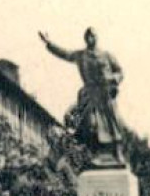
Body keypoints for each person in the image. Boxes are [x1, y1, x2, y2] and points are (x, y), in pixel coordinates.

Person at [39, 28, 129, 166]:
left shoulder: (106, 55)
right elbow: (64, 53)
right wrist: (49, 43)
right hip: (90, 96)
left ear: (97, 37)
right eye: (87, 36)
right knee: (91, 124)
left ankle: (117, 153)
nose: (90, 39)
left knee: (113, 123)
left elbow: (120, 71)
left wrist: (113, 78)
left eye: (93, 36)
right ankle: (97, 155)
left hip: (106, 95)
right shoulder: (81, 55)